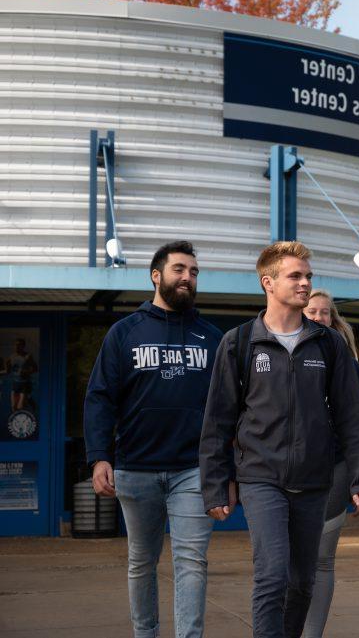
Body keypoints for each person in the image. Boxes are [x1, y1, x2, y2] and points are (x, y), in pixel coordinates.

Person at [199, 241, 359, 638]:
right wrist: (214, 486)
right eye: (295, 276)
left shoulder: (328, 344)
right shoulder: (240, 342)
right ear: (268, 282)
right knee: (272, 575)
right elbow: (217, 421)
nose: (305, 283)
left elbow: (353, 416)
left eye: (308, 276)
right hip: (261, 477)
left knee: (302, 582)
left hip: (315, 479)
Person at [84, 240, 223, 638]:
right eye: (180, 269)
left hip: (192, 470)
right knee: (142, 562)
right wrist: (99, 456)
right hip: (135, 467)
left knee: (191, 561)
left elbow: (227, 407)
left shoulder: (211, 337)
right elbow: (99, 397)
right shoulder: (123, 333)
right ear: (156, 275)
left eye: (194, 272)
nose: (188, 278)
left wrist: (224, 468)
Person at [300, 289, 359, 638]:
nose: (319, 317)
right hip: (290, 472)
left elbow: (357, 423)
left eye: (325, 313)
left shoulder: (347, 364)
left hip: (335, 468)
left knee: (322, 558)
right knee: (288, 562)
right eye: (312, 311)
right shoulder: (281, 355)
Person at [5, 337, 37, 412]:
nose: (16, 347)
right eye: (15, 345)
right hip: (15, 384)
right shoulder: (11, 357)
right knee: (13, 407)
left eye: (19, 345)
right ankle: (28, 399)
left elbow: (35, 368)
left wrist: (27, 372)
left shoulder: (28, 356)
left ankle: (28, 400)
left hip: (25, 384)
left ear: (23, 346)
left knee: (20, 407)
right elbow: (7, 371)